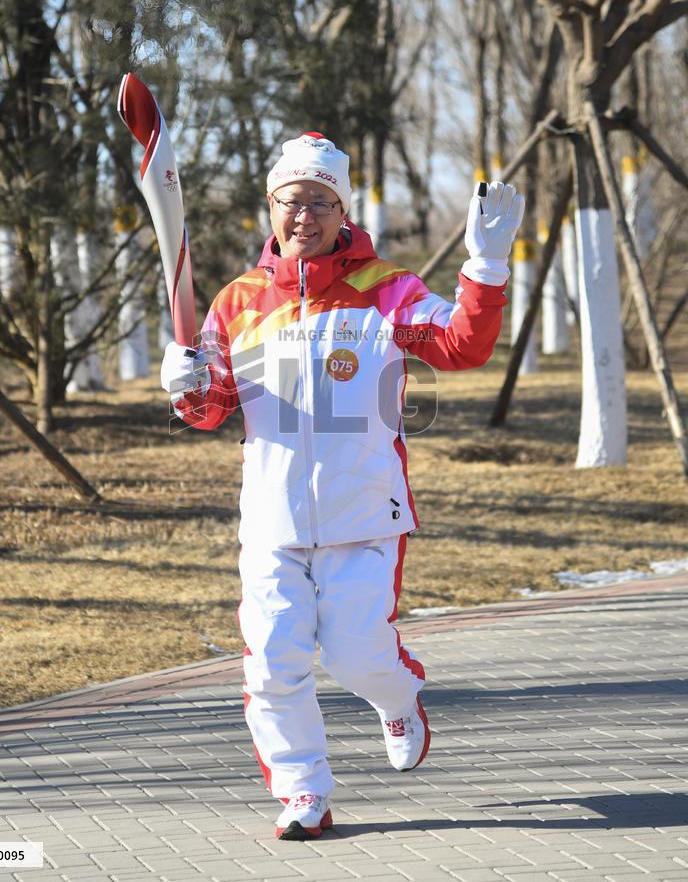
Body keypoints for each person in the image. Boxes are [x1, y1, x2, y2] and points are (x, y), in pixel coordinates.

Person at [161, 132, 524, 841]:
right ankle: (303, 790)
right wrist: (185, 384)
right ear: (271, 206)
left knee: (358, 656)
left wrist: (485, 268)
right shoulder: (237, 302)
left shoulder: (386, 290)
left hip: (364, 514)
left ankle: (399, 699)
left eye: (321, 202)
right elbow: (209, 409)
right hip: (272, 522)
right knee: (273, 663)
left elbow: (462, 345)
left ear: (342, 211)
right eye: (292, 200)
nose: (305, 216)